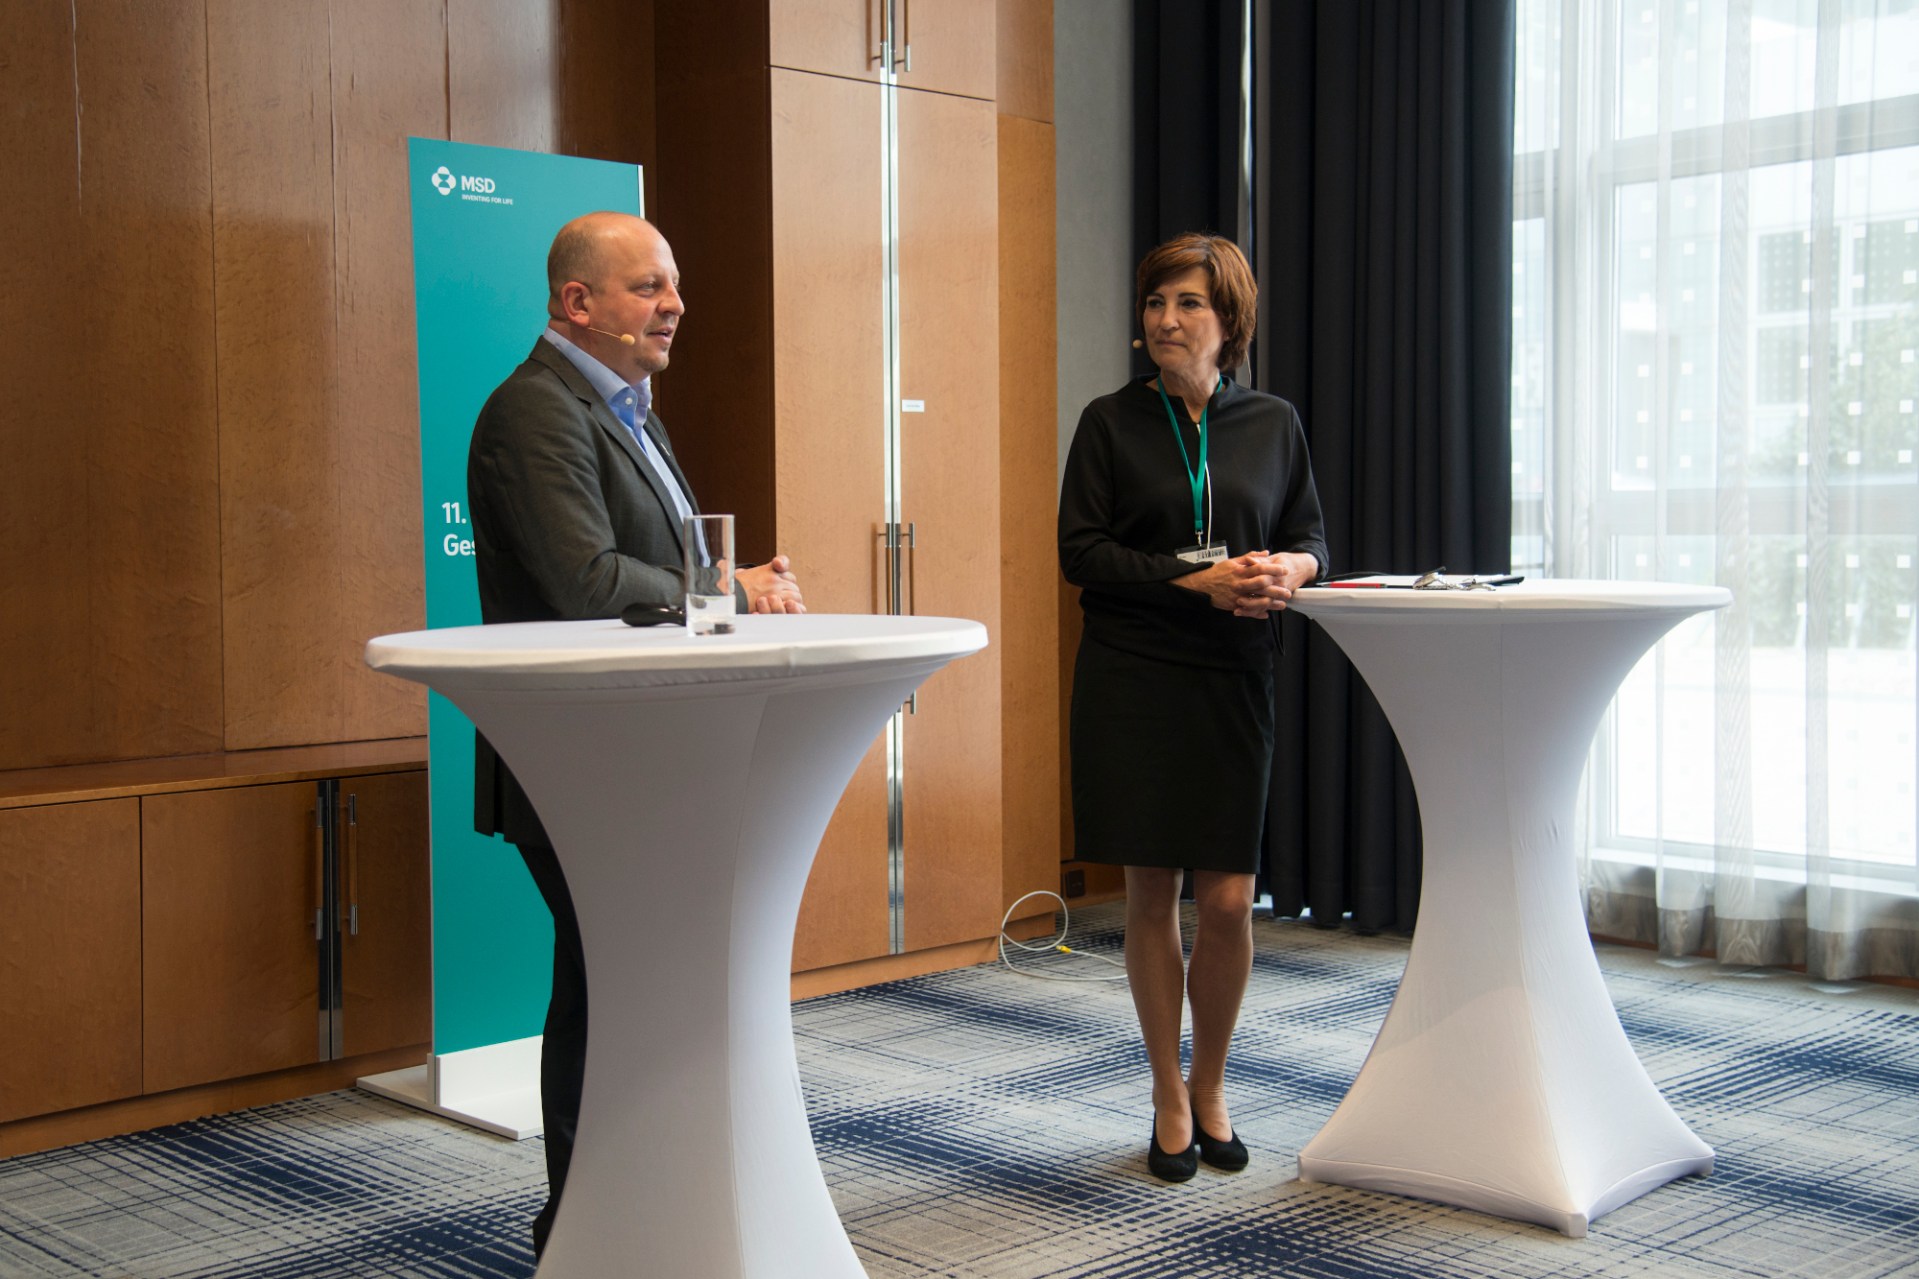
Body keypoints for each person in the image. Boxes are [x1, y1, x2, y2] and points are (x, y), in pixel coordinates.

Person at [466, 211, 804, 1255]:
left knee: (626, 981)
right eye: (649, 286)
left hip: (645, 758)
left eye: (673, 284)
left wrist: (730, 589)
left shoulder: (628, 411)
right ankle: (580, 1224)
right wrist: (731, 588)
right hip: (579, 762)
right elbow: (584, 582)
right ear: (577, 302)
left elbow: (664, 569)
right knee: (606, 982)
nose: (675, 305)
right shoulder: (535, 412)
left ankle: (613, 1206)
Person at [1057, 232, 1328, 1182]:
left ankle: (1212, 1081)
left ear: (1229, 321)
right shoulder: (1108, 422)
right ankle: (1167, 1092)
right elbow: (1081, 553)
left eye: (1187, 305)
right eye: (1154, 304)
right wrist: (1193, 577)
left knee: (1224, 900)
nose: (1165, 321)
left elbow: (1308, 536)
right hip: (1134, 674)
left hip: (1233, 674)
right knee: (1149, 894)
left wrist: (1285, 569)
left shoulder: (1272, 422)